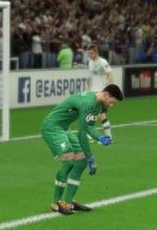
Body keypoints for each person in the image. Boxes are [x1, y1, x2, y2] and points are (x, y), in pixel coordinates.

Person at [40, 84, 123, 215]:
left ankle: (68, 202)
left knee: (81, 160)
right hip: (52, 127)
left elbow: (89, 127)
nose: (111, 105)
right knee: (68, 161)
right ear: (106, 95)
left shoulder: (98, 103)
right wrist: (90, 156)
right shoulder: (88, 104)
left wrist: (100, 137)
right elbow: (82, 132)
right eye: (112, 102)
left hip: (64, 128)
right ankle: (56, 203)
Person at [86, 45, 114, 140]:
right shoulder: (90, 62)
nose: (89, 55)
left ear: (96, 52)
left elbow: (110, 75)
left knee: (100, 115)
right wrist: (87, 90)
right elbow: (90, 77)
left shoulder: (102, 62)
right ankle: (92, 134)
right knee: (92, 113)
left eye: (91, 53)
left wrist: (110, 91)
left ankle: (108, 137)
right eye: (89, 53)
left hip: (101, 92)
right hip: (92, 92)